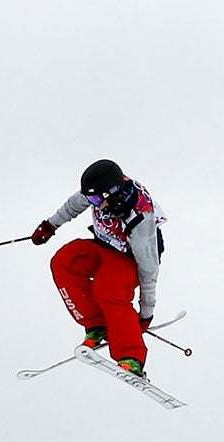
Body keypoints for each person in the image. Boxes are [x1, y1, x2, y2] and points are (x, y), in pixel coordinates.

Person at [31, 159, 164, 376]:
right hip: (105, 245)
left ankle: (131, 356)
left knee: (108, 290)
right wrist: (50, 225)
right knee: (64, 261)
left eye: (94, 199)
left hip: (131, 258)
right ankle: (98, 324)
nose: (91, 202)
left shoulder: (140, 218)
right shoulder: (101, 192)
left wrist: (146, 311)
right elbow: (74, 205)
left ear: (112, 194)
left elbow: (149, 269)